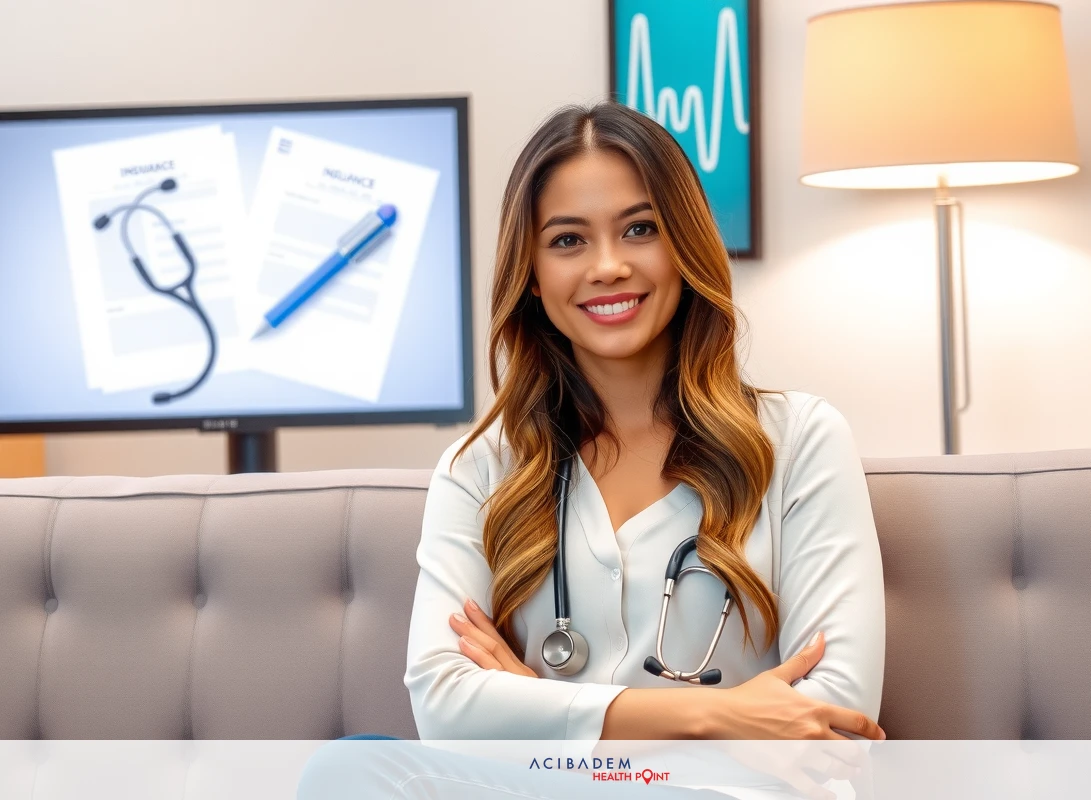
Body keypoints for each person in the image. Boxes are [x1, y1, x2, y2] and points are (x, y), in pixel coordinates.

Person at [297, 100, 885, 799]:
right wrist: (717, 716)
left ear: (685, 245)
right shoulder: (481, 469)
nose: (608, 266)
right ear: (532, 271)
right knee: (350, 771)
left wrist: (540, 713)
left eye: (640, 229)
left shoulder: (799, 440)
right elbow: (445, 707)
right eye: (568, 240)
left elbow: (832, 720)